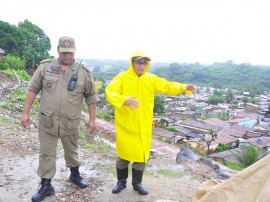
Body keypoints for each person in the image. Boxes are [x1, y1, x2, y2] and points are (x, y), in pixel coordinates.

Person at [105, 50, 196, 195]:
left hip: (144, 125)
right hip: (126, 124)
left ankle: (137, 183)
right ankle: (121, 182)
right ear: (132, 62)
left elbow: (166, 86)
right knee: (123, 155)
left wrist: (183, 87)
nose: (141, 65)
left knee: (141, 155)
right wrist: (123, 100)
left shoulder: (151, 79)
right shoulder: (122, 77)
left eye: (144, 62)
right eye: (138, 62)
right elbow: (109, 92)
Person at [21, 36, 97, 202]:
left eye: (70, 53)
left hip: (70, 122)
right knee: (46, 153)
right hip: (48, 121)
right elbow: (32, 89)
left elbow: (91, 97)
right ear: (58, 51)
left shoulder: (83, 72)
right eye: (64, 53)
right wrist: (25, 113)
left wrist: (92, 120)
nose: (67, 56)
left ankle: (75, 176)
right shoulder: (45, 67)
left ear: (74, 52)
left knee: (72, 150)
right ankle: (46, 184)